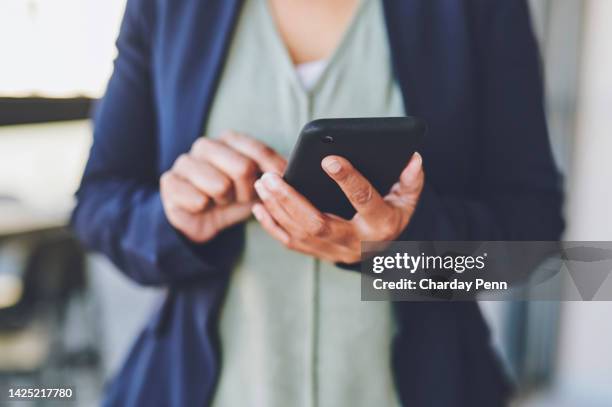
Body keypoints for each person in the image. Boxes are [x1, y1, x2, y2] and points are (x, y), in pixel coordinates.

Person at [71, 0, 564, 406]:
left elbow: (535, 241)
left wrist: (398, 248)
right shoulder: (167, 8)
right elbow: (97, 205)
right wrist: (170, 218)